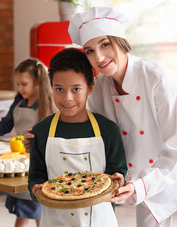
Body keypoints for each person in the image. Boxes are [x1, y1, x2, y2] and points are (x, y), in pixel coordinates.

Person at [71, 7, 177, 226]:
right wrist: (43, 140)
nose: (99, 57)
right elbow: (89, 134)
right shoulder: (101, 87)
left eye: (105, 44)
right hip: (150, 173)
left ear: (120, 40)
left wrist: (142, 185)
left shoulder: (155, 76)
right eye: (89, 51)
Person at [27, 48, 127, 227]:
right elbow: (36, 176)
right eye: (59, 89)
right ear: (51, 87)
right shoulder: (41, 131)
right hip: (55, 221)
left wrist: (119, 178)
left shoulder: (108, 130)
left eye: (76, 89)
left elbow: (117, 170)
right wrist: (36, 190)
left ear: (90, 88)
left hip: (99, 220)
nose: (67, 98)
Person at [0, 59, 55, 227]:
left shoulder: (48, 105)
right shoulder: (18, 102)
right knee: (22, 212)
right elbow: (5, 124)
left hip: (40, 164)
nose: (20, 88)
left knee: (40, 212)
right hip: (19, 163)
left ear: (38, 82)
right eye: (18, 84)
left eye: (24, 84)